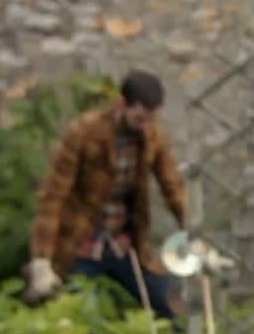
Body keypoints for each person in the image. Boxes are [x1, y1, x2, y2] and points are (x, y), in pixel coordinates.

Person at [25, 69, 186, 320]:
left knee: (170, 308)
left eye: (152, 119)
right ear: (122, 104)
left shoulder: (152, 136)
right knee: (70, 318)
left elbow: (173, 186)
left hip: (124, 245)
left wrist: (194, 231)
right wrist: (41, 261)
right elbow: (53, 196)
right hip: (82, 245)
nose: (146, 126)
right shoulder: (84, 131)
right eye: (140, 118)